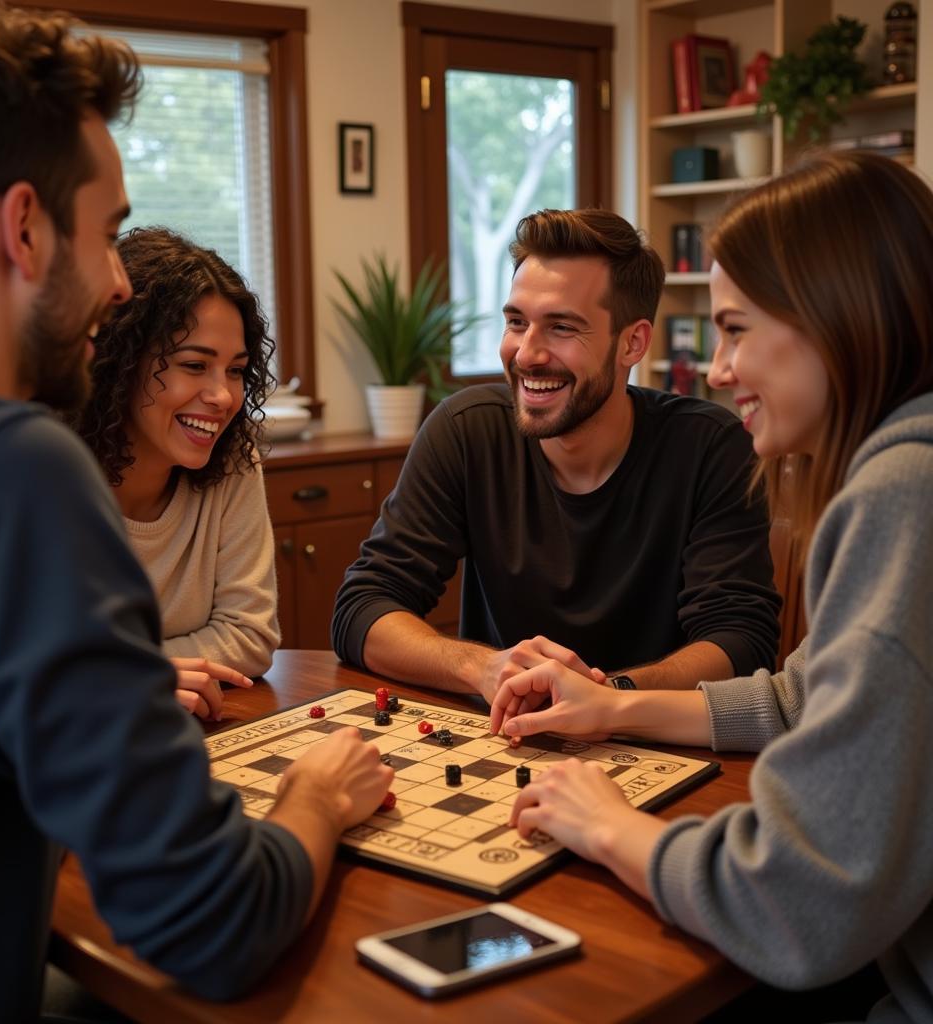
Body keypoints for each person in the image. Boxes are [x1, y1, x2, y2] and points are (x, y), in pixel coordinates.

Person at [0, 4, 391, 1020]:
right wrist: (317, 794)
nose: (120, 283)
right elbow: (208, 918)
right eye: (110, 235)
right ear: (26, 229)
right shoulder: (14, 468)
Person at [488, 151, 933, 1022]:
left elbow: (800, 905)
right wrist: (611, 705)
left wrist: (614, 827)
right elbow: (800, 699)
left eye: (734, 329)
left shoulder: (903, 491)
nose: (720, 369)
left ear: (832, 320)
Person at [332, 207, 781, 702]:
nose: (527, 353)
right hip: (508, 737)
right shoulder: (466, 431)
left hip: (657, 740)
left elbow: (741, 642)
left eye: (562, 327)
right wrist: (482, 668)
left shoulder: (709, 447)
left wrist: (610, 697)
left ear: (633, 342)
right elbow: (364, 607)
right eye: (517, 322)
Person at [71, 227, 280, 716]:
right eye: (193, 365)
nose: (223, 397)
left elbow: (250, 635)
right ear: (119, 362)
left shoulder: (234, 455)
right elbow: (22, 666)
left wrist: (119, 669)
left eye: (235, 370)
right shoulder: (49, 468)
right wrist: (133, 677)